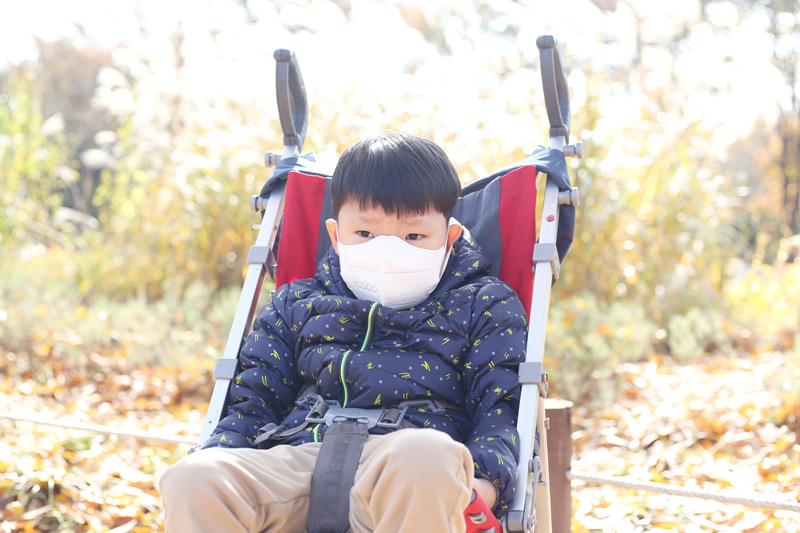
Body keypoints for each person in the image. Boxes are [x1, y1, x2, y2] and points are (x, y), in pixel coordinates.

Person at [159, 132, 528, 533]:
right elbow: (253, 403)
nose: (387, 252)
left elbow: (500, 409)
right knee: (192, 477)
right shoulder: (295, 303)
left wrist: (483, 486)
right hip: (298, 457)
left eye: (414, 237)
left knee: (427, 455)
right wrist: (219, 457)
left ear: (449, 238)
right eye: (365, 234)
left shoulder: (482, 304)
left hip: (408, 465)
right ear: (336, 237)